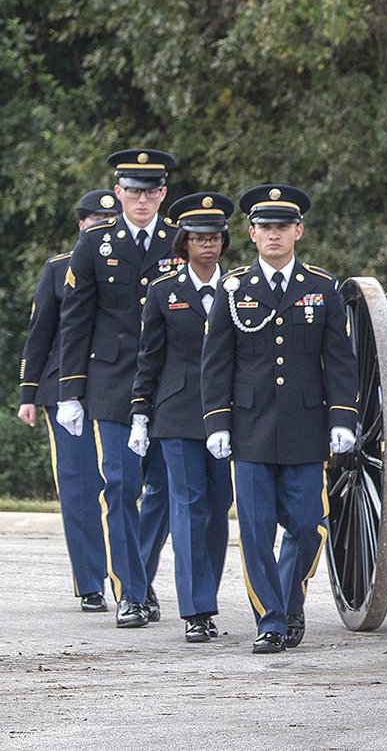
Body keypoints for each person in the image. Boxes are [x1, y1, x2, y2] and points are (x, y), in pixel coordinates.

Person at [201, 184, 358, 653]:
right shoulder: (233, 289)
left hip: (306, 428)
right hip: (249, 429)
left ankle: (290, 602)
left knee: (309, 525)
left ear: (298, 231)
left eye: (282, 227)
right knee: (255, 530)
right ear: (251, 234)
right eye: (265, 227)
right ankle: (269, 619)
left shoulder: (321, 287)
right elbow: (216, 364)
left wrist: (342, 418)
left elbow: (341, 360)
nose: (274, 235)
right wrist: (216, 424)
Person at [56, 149, 179, 628]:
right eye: (132, 190)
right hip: (111, 383)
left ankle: (139, 575)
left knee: (166, 488)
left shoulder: (180, 240)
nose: (142, 199)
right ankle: (130, 591)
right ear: (118, 193)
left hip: (169, 384)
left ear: (163, 193)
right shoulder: (95, 243)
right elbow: (76, 319)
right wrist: (70, 390)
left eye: (151, 191)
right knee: (122, 485)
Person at [131, 193, 236, 643]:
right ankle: (196, 610)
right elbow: (149, 357)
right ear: (184, 244)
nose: (207, 246)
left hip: (227, 415)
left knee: (217, 508)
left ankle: (206, 595)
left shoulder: (238, 289)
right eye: (198, 239)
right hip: (176, 413)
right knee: (188, 507)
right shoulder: (163, 292)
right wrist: (140, 412)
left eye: (213, 238)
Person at [17, 190, 122, 612]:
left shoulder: (130, 268)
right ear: (81, 224)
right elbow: (40, 332)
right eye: (95, 220)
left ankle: (130, 580)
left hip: (115, 387)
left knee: (123, 487)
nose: (101, 227)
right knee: (79, 486)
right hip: (64, 390)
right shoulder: (59, 268)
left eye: (107, 222)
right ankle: (91, 581)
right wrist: (28, 393)